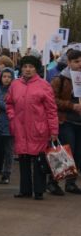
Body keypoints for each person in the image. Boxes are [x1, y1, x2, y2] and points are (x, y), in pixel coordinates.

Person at [6, 55, 59, 200]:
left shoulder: (44, 85)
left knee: (39, 160)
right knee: (23, 160)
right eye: (25, 66)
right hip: (20, 128)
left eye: (31, 67)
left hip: (39, 128)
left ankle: (39, 190)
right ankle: (25, 190)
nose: (27, 69)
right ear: (21, 68)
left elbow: (51, 110)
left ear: (36, 69)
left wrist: (54, 130)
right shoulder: (15, 84)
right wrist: (12, 118)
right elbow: (9, 103)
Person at [51, 48, 81, 194]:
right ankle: (52, 181)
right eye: (76, 61)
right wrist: (72, 105)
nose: (79, 64)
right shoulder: (60, 79)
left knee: (77, 153)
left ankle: (71, 183)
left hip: (79, 122)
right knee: (65, 153)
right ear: (68, 62)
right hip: (66, 120)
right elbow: (53, 100)